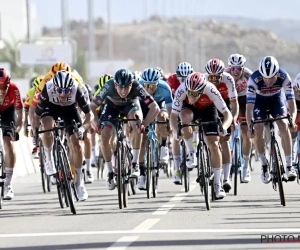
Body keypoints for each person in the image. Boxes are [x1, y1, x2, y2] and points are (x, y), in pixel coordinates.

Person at [90, 69, 160, 190]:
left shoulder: (137, 87)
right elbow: (91, 107)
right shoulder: (109, 86)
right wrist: (96, 124)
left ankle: (135, 164)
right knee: (105, 136)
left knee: (137, 125)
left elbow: (155, 108)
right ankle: (110, 173)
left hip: (131, 104)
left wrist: (144, 123)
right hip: (112, 106)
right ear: (115, 85)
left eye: (126, 87)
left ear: (131, 84)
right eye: (120, 87)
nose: (123, 91)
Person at [170, 72, 233, 199]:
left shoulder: (210, 89)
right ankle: (191, 153)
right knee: (185, 117)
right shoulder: (182, 90)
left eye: (194, 94)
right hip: (189, 109)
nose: (191, 96)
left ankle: (217, 183)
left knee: (214, 145)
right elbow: (173, 116)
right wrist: (176, 130)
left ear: (201, 90)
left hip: (208, 109)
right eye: (189, 93)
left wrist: (225, 127)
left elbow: (227, 114)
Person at [33, 70, 93, 201]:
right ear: (54, 87)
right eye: (59, 90)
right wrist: (35, 132)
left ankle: (79, 183)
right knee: (47, 127)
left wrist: (82, 128)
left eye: (66, 91)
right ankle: (49, 159)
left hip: (69, 110)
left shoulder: (77, 90)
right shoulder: (47, 89)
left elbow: (90, 115)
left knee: (77, 145)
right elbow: (36, 116)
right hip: (51, 107)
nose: (62, 94)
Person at [246, 56, 297, 183]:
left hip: (276, 100)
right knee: (257, 127)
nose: (268, 81)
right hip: (259, 103)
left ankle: (289, 166)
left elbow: (292, 104)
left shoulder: (284, 77)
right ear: (261, 75)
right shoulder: (253, 80)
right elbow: (249, 108)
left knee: (284, 124)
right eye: (265, 78)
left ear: (277, 73)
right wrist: (249, 126)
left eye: (272, 77)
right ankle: (264, 165)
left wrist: (292, 121)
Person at [204, 58, 238, 192]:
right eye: (211, 76)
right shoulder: (204, 79)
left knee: (224, 140)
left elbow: (234, 104)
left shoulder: (228, 79)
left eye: (217, 77)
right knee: (211, 140)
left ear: (222, 74)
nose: (214, 79)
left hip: (224, 104)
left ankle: (226, 178)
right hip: (209, 104)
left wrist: (234, 119)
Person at [137, 67, 173, 190]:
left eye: (153, 86)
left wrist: (171, 125)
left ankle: (163, 147)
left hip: (160, 104)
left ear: (158, 83)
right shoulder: (139, 87)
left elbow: (170, 111)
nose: (150, 89)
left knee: (163, 117)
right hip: (144, 105)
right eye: (147, 86)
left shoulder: (165, 88)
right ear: (143, 84)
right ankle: (142, 174)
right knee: (142, 140)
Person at [225, 53, 253, 183]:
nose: (235, 72)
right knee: (226, 129)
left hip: (244, 100)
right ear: (229, 68)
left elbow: (257, 93)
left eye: (238, 68)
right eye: (233, 68)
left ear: (243, 68)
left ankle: (246, 167)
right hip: (229, 100)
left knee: (246, 133)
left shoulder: (249, 75)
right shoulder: (224, 74)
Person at [167, 62, 194, 184]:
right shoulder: (171, 80)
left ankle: (193, 148)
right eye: (181, 78)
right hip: (176, 105)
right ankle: (177, 170)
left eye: (186, 78)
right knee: (175, 136)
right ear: (176, 76)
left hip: (190, 104)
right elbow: (168, 101)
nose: (183, 81)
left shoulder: (195, 79)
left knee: (192, 123)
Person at [0, 68, 23, 200]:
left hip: (9, 112)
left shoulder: (14, 89)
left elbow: (21, 115)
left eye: (4, 87)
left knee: (8, 143)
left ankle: (8, 183)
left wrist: (17, 130)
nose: (1, 90)